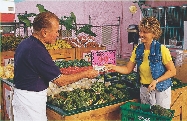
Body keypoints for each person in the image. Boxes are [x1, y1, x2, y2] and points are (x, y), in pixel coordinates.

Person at [12, 11, 99, 121]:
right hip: (31, 101)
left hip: (23, 98)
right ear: (44, 32)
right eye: (56, 31)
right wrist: (86, 74)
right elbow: (60, 81)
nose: (58, 35)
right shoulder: (37, 50)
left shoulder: (26, 43)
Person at [105, 16, 176, 109]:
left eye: (145, 32)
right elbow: (127, 69)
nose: (141, 34)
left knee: (160, 117)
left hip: (161, 90)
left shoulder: (162, 49)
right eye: (140, 31)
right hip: (145, 89)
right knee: (146, 117)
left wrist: (156, 81)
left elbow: (172, 71)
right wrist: (113, 67)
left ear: (154, 34)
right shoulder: (138, 49)